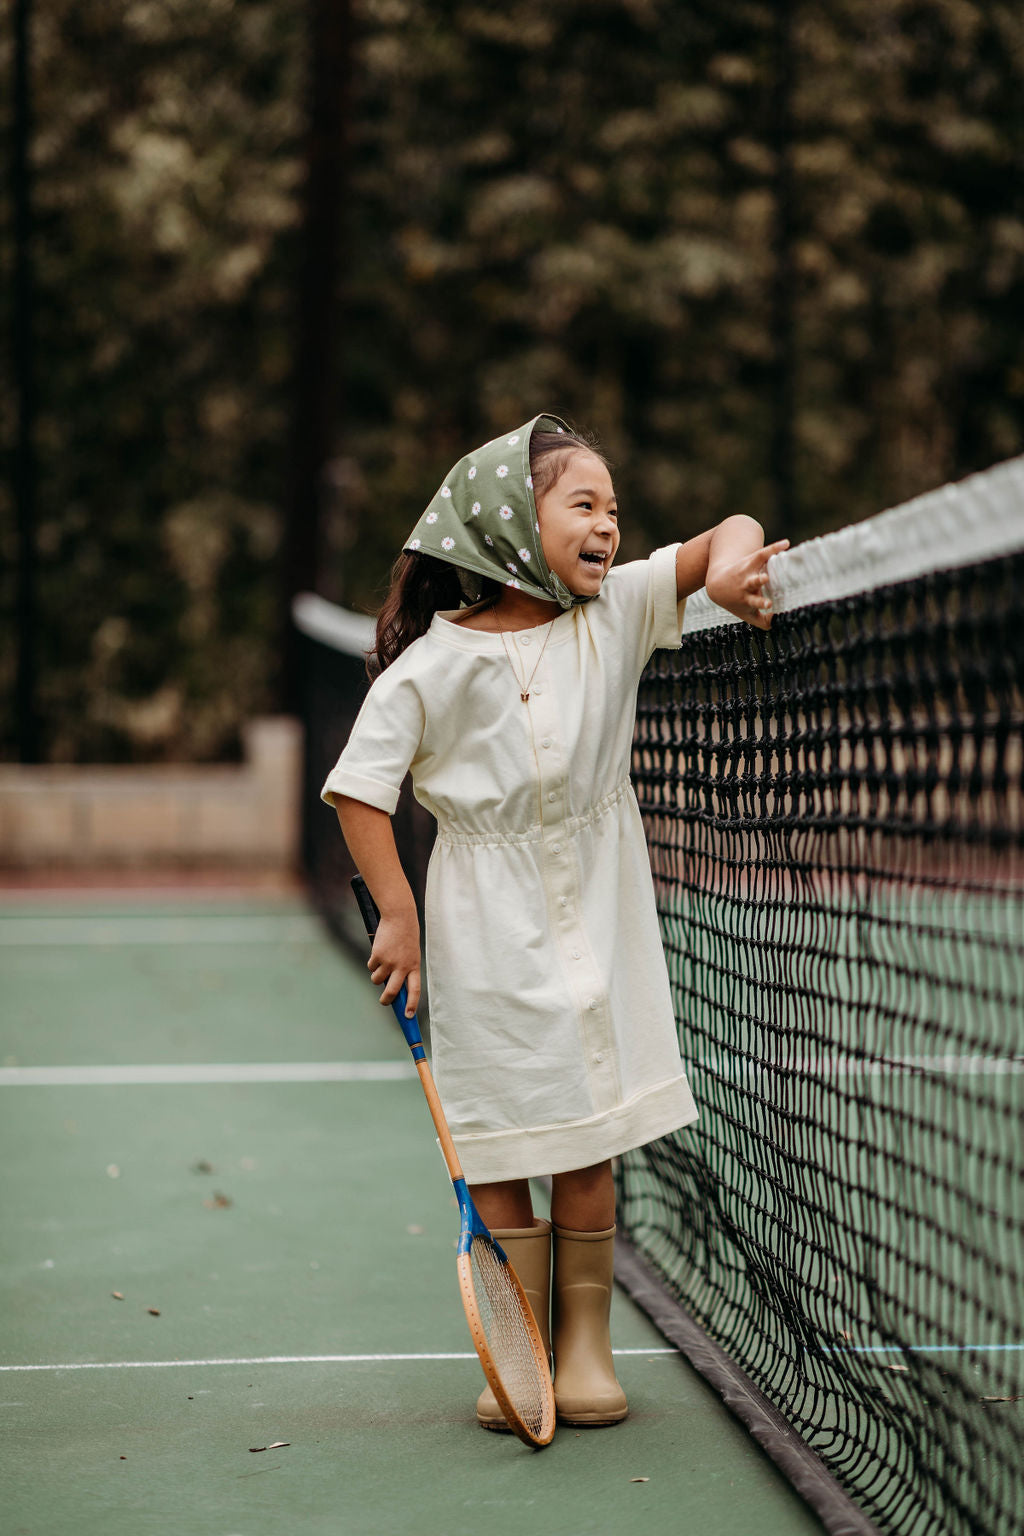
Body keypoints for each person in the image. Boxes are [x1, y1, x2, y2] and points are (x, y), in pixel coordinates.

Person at [322, 413, 786, 1431]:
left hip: (602, 918)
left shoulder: (616, 610)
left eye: (614, 510)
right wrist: (395, 914)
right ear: (504, 526)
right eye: (584, 505)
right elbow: (360, 790)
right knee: (496, 1149)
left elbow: (732, 529)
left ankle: (583, 1351)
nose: (609, 527)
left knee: (585, 1148)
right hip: (482, 934)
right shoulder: (427, 670)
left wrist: (724, 574)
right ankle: (521, 1349)